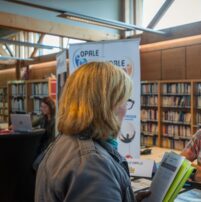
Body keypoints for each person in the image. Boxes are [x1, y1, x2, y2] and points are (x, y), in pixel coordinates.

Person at [35, 62, 150, 202]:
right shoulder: (93, 164)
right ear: (108, 106)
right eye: (125, 101)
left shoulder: (66, 141)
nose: (126, 109)